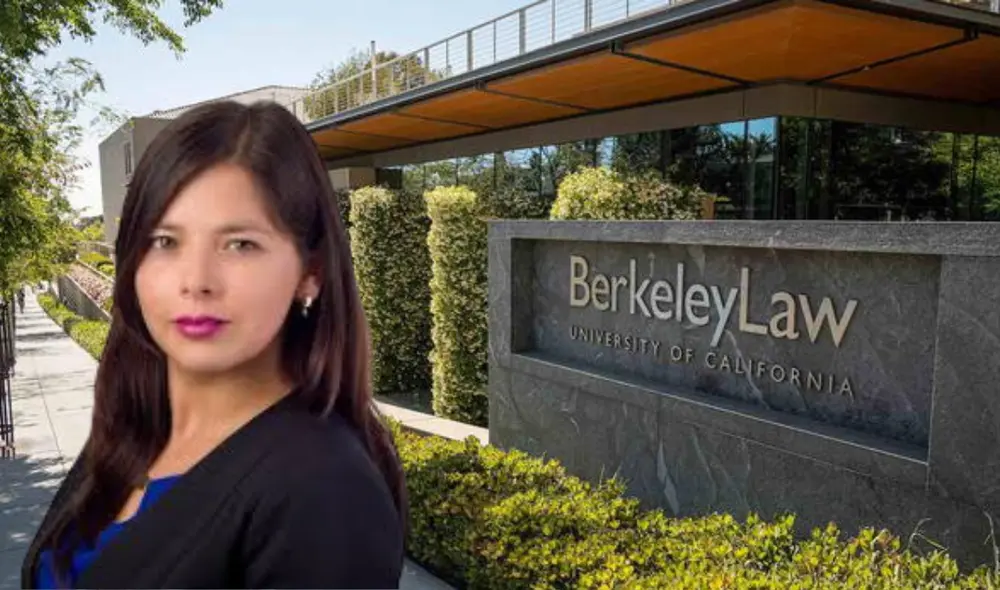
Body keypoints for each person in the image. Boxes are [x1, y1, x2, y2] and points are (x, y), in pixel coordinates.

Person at [21, 101, 407, 589]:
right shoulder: (134, 427)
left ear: (309, 273)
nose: (196, 281)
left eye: (240, 244)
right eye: (164, 241)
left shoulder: (324, 489)